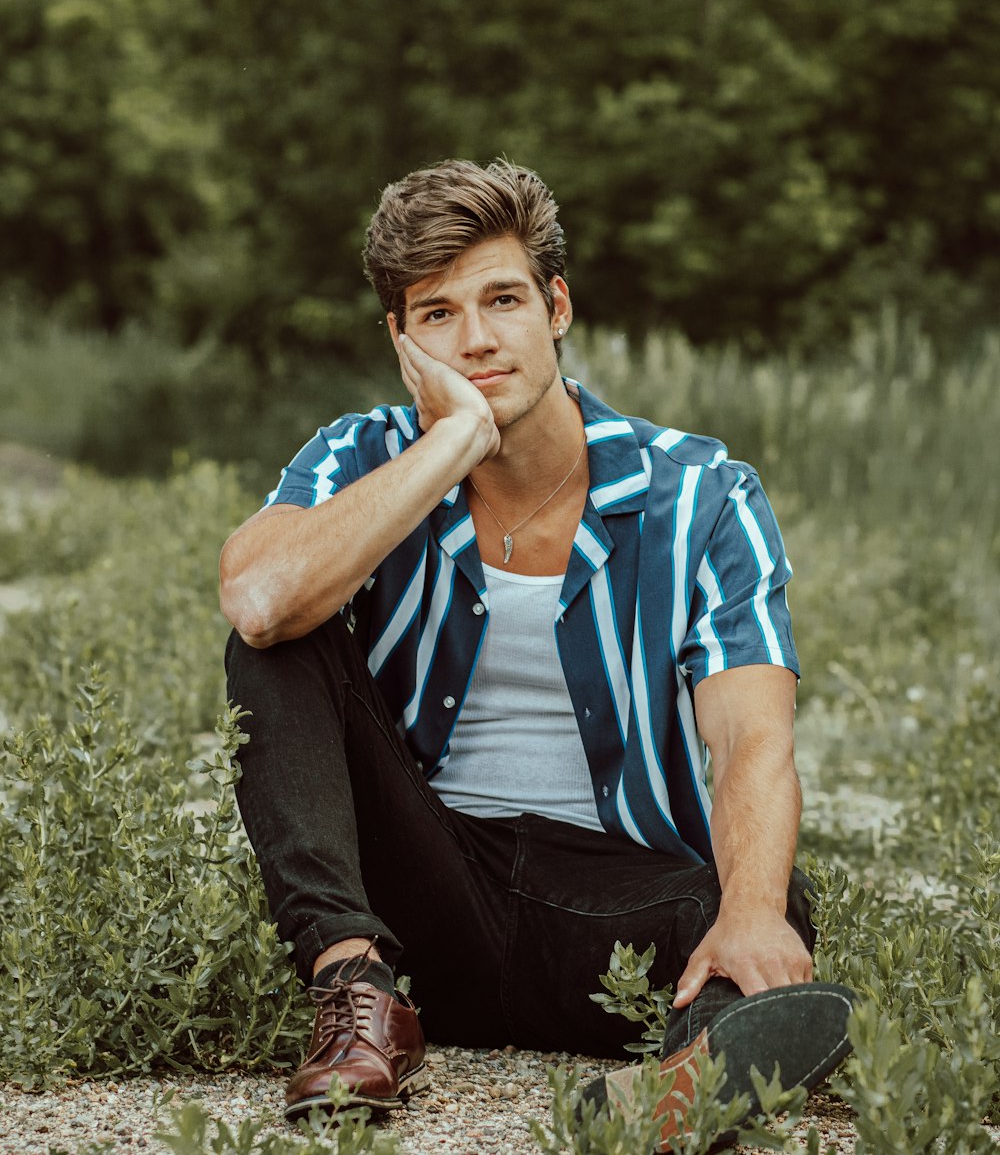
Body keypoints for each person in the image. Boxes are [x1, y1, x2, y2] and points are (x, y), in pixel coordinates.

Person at [219, 159, 853, 1150]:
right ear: (400, 341)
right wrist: (454, 441)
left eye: (501, 300)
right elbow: (258, 601)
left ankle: (678, 1082)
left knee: (758, 899)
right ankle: (356, 997)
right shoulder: (365, 453)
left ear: (555, 306)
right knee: (279, 638)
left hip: (612, 917)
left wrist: (755, 910)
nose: (475, 338)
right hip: (423, 908)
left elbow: (749, 740)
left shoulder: (702, 495)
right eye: (435, 314)